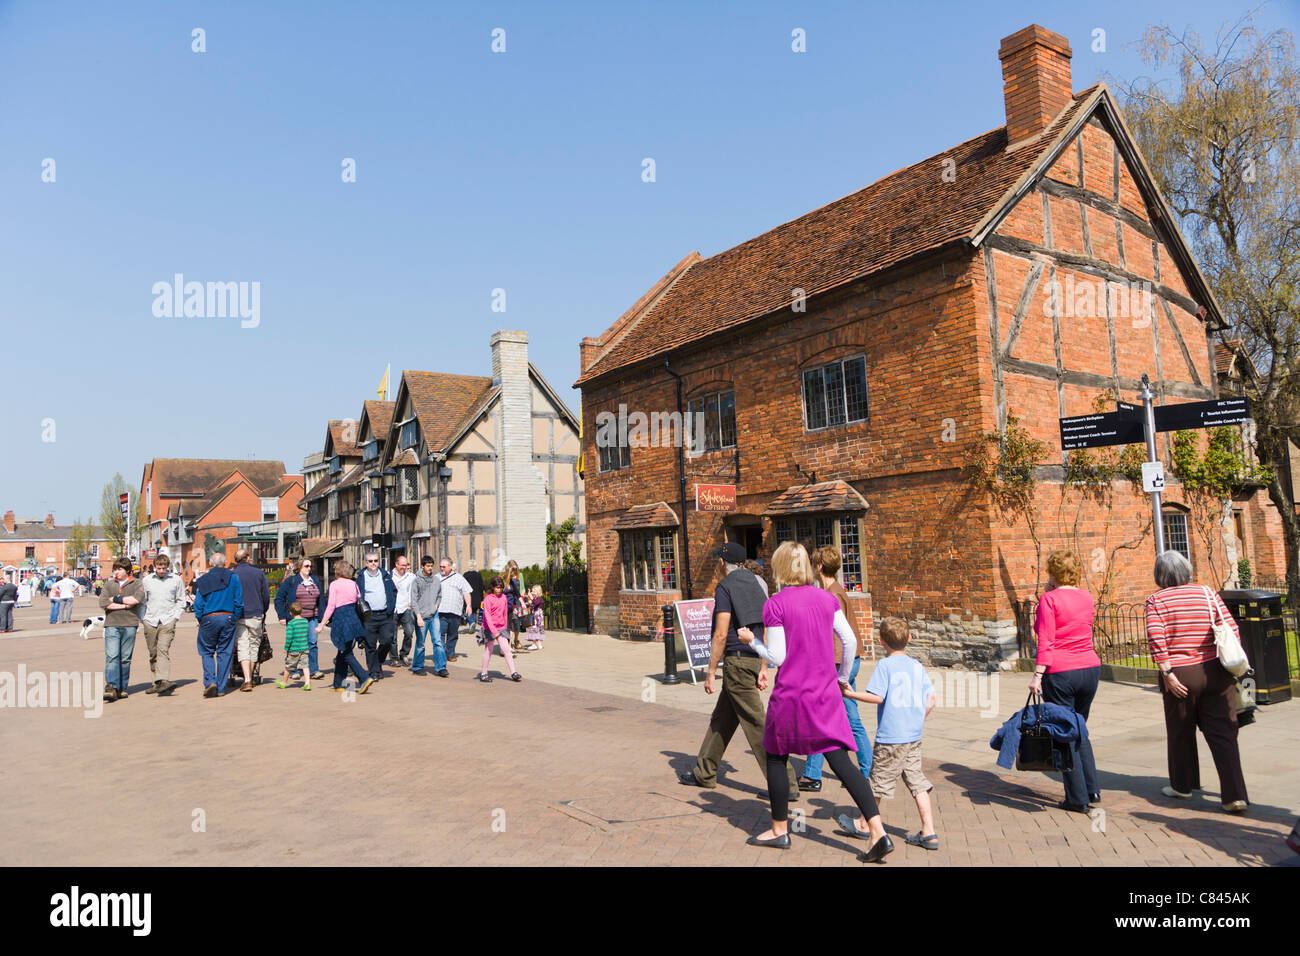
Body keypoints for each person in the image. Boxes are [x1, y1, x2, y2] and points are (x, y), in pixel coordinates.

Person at [737, 542, 892, 859]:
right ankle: (877, 831)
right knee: (841, 762)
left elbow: (777, 656)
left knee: (776, 756)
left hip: (792, 694)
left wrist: (752, 641)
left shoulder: (776, 604)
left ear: (780, 567)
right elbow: (849, 641)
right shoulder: (826, 598)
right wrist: (843, 678)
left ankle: (780, 830)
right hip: (824, 694)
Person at [678, 543, 799, 802]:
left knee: (757, 725)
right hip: (754, 658)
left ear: (723, 562)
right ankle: (705, 771)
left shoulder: (725, 587)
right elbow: (766, 624)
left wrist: (711, 671)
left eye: (717, 562)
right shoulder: (756, 583)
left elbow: (721, 633)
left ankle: (785, 784)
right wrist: (764, 665)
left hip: (737, 663)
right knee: (722, 719)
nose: (715, 567)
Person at [1144, 550, 1249, 812]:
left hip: (1180, 674)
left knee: (1180, 731)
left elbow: (1157, 638)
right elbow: (1231, 628)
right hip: (1216, 671)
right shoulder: (1207, 593)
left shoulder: (1156, 600)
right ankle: (1234, 795)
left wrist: (1167, 672)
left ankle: (1183, 786)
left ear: (1160, 575)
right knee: (1224, 733)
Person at [843, 617, 939, 850]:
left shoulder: (884, 666)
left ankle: (864, 824)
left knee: (877, 782)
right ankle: (929, 832)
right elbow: (931, 698)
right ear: (910, 638)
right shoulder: (917, 666)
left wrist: (850, 694)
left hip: (891, 736)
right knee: (917, 781)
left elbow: (878, 696)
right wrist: (917, 719)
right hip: (913, 735)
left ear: (881, 641)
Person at [1029, 549, 1102, 812]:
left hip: (1060, 671)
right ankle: (1092, 789)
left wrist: (1038, 675)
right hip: (1090, 668)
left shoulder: (1049, 600)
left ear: (1054, 573)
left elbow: (1044, 636)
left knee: (1064, 733)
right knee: (1080, 728)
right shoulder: (1086, 597)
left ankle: (1077, 798)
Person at [798, 546, 872, 792]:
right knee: (848, 719)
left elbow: (840, 638)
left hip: (839, 664)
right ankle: (865, 771)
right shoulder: (834, 591)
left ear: (819, 567)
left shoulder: (832, 594)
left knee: (824, 719)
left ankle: (814, 775)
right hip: (843, 662)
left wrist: (836, 672)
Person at [193, 552, 243, 699]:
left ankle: (210, 681)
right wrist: (235, 617)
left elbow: (198, 603)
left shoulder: (203, 579)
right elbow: (238, 601)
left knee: (206, 651)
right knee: (225, 652)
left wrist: (200, 619)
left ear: (210, 563)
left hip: (209, 617)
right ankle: (221, 687)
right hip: (228, 616)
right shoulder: (233, 578)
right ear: (225, 562)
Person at [320, 560, 372, 693]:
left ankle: (364, 677)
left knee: (346, 652)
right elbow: (358, 599)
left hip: (341, 618)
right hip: (353, 618)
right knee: (343, 650)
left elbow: (331, 605)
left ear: (338, 571)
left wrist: (322, 623)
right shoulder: (354, 584)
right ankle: (338, 683)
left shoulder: (334, 585)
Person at [139, 554, 186, 696]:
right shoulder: (146, 581)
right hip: (150, 620)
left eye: (164, 568)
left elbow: (181, 600)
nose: (161, 571)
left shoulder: (176, 580)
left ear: (168, 567)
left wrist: (175, 617)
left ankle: (164, 680)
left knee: (163, 649)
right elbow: (142, 601)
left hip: (167, 620)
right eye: (159, 568)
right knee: (153, 653)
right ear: (154, 567)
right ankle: (156, 683)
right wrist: (143, 618)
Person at [99, 557, 144, 702]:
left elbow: (136, 600)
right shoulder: (108, 584)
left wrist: (116, 599)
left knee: (125, 658)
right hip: (112, 623)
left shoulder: (137, 583)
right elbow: (104, 603)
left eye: (120, 569)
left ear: (127, 570)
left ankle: (122, 687)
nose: (116, 572)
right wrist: (125, 604)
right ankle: (111, 686)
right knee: (112, 656)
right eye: (115, 569)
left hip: (130, 624)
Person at [274, 557, 326, 680]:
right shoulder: (291, 581)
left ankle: (313, 670)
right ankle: (293, 670)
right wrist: (282, 616)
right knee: (295, 645)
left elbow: (321, 599)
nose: (309, 568)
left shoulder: (315, 580)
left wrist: (322, 617)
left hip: (312, 617)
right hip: (296, 618)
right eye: (306, 566)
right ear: (299, 568)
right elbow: (279, 598)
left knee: (312, 643)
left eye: (310, 566)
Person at [232, 550, 271, 692]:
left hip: (240, 615)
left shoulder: (233, 574)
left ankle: (247, 679)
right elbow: (265, 595)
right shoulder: (258, 573)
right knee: (254, 645)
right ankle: (250, 677)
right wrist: (263, 610)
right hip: (256, 613)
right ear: (248, 558)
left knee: (243, 646)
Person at [356, 551, 397, 679]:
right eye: (370, 561)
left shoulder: (385, 575)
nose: (373, 563)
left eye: (375, 561)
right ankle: (373, 671)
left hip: (385, 614)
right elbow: (357, 596)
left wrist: (391, 606)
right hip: (369, 616)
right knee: (370, 644)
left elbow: (393, 591)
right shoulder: (361, 577)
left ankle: (378, 663)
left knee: (387, 640)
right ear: (366, 563)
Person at [478, 577, 521, 682]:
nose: (499, 590)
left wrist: (505, 628)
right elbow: (487, 617)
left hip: (501, 628)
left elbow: (504, 614)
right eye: (497, 588)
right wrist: (494, 631)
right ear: (492, 587)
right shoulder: (488, 599)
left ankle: (513, 672)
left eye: (501, 588)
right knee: (489, 650)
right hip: (489, 628)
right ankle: (483, 673)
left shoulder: (504, 598)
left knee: (506, 649)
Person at [410, 555, 447, 677]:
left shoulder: (436, 580)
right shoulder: (416, 581)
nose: (430, 568)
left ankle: (441, 667)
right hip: (421, 616)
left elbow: (439, 595)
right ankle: (417, 666)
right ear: (422, 566)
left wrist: (436, 605)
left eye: (431, 566)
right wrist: (418, 617)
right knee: (420, 643)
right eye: (428, 566)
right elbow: (414, 600)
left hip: (434, 615)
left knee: (438, 641)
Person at [436, 558, 473, 662]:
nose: (441, 568)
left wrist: (469, 605)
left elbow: (466, 592)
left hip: (455, 612)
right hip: (441, 611)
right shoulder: (436, 578)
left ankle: (450, 654)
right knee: (441, 635)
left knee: (452, 635)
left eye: (444, 566)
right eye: (440, 566)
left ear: (450, 567)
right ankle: (442, 654)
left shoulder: (459, 578)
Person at [276, 602, 313, 690]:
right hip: (304, 648)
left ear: (291, 612)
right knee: (305, 666)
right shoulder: (305, 621)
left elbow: (289, 637)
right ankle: (307, 683)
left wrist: (286, 648)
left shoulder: (291, 623)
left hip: (294, 649)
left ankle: (284, 682)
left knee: (288, 666)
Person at [391, 554, 417, 668]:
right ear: (396, 564)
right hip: (394, 608)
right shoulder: (389, 576)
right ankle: (394, 658)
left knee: (409, 632)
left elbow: (415, 590)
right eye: (402, 565)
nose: (404, 567)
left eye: (406, 565)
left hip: (406, 608)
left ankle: (404, 653)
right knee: (393, 635)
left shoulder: (411, 576)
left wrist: (411, 602)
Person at [503, 560, 524, 651]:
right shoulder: (502, 580)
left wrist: (522, 603)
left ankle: (510, 643)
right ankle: (507, 645)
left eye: (516, 570)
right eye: (513, 570)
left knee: (513, 625)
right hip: (503, 608)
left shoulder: (512, 582)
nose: (515, 573)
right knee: (507, 627)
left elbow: (517, 593)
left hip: (512, 607)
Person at [524, 584, 545, 650]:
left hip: (537, 617)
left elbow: (535, 603)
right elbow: (532, 603)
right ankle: (537, 643)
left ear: (538, 592)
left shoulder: (539, 598)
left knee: (536, 629)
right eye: (532, 591)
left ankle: (535, 644)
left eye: (534, 591)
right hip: (535, 617)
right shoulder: (535, 599)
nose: (532, 593)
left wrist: (531, 598)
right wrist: (527, 603)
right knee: (535, 629)